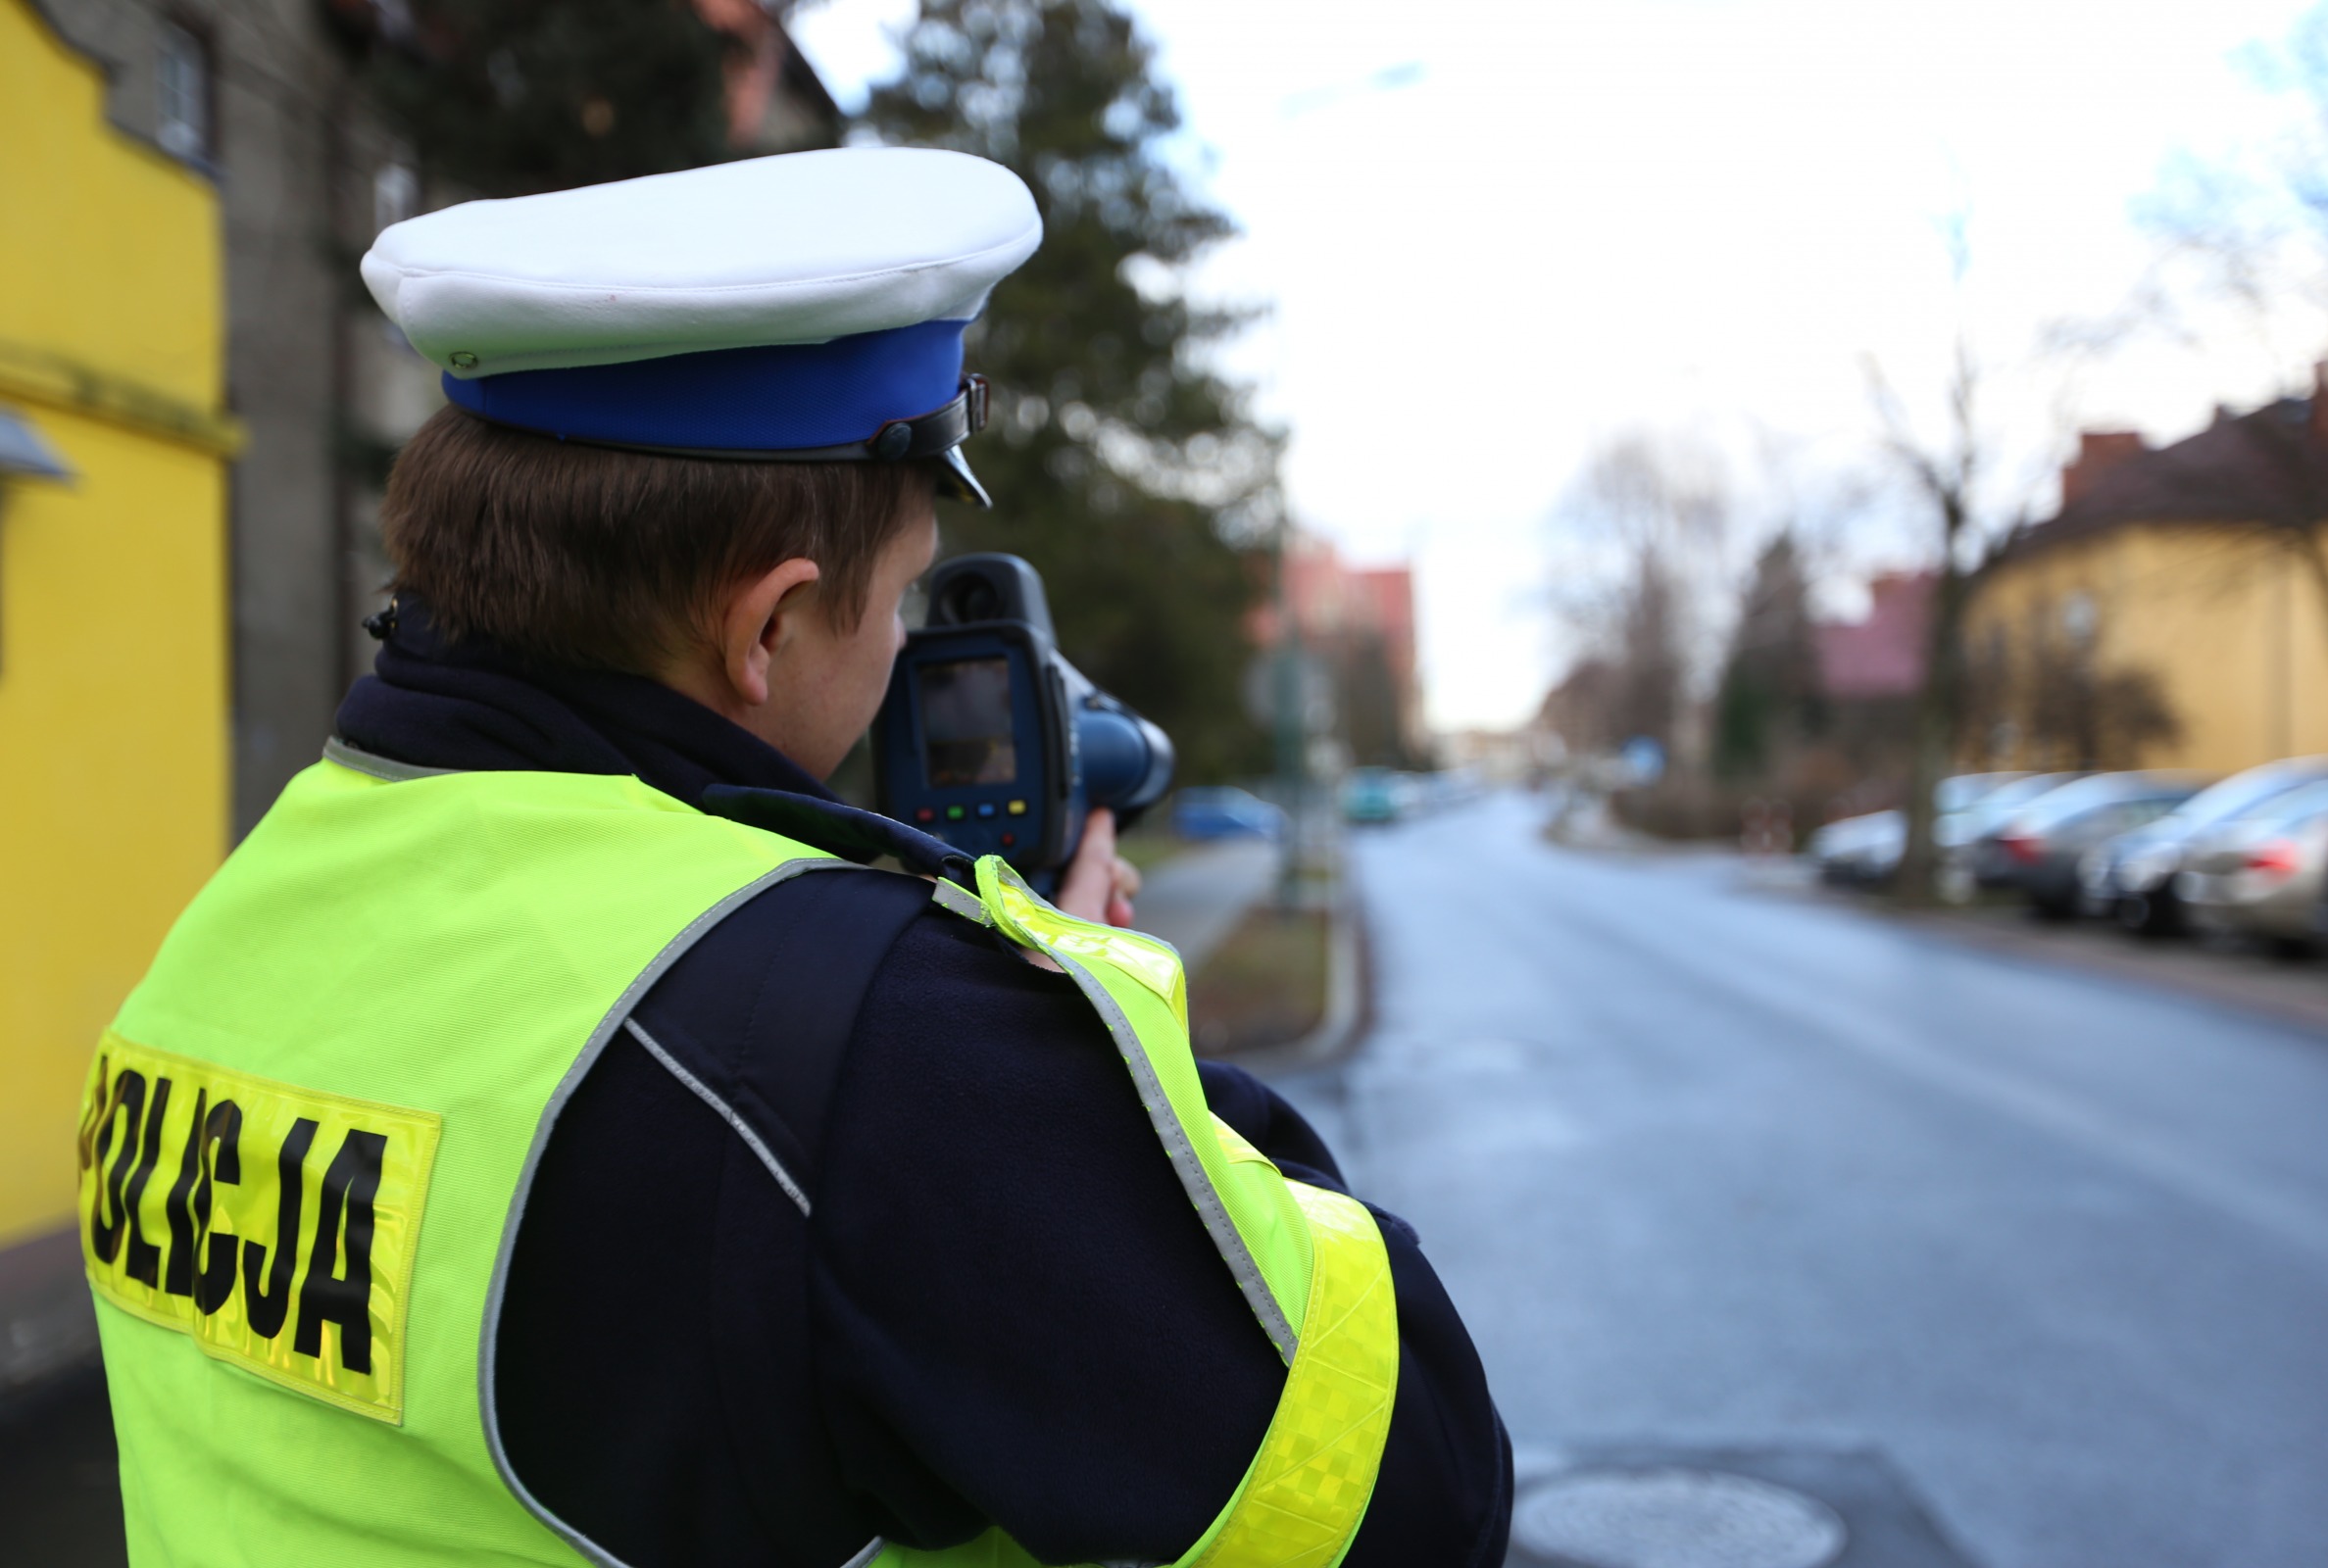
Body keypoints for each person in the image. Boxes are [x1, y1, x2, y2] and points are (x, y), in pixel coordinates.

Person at [75, 147, 1511, 1568]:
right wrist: (1083, 1016)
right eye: (891, 610)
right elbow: (1411, 1482)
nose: (899, 655)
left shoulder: (223, 928)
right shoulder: (867, 1047)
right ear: (768, 627)